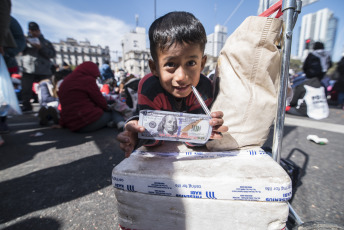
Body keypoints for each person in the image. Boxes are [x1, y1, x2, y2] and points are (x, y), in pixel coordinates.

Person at [117, 11, 228, 157]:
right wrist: (136, 135)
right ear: (154, 68)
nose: (181, 77)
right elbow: (153, 140)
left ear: (202, 64)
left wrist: (209, 131)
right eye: (170, 64)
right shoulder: (149, 88)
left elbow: (193, 141)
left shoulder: (205, 88)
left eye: (191, 63)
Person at [58, 61, 125, 132]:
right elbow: (99, 100)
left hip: (71, 125)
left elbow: (64, 105)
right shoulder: (87, 80)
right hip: (87, 121)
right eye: (95, 77)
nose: (95, 79)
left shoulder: (65, 81)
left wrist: (62, 123)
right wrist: (107, 107)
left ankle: (112, 123)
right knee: (114, 110)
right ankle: (122, 125)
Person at [20, 21, 56, 112]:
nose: (34, 32)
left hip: (44, 70)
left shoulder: (46, 42)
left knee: (47, 88)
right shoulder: (24, 40)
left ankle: (47, 106)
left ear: (39, 30)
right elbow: (19, 50)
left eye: (35, 30)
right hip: (28, 68)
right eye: (31, 30)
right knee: (26, 89)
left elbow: (52, 54)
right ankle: (26, 105)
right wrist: (25, 43)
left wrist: (41, 48)